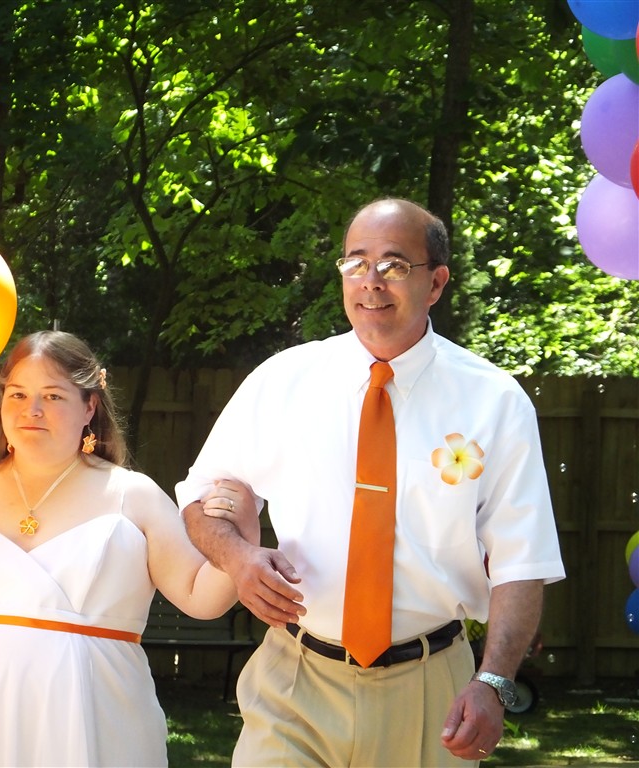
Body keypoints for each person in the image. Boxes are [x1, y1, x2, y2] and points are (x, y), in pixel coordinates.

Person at [176, 198, 565, 767]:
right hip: (294, 682)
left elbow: (522, 563)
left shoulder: (494, 402)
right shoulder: (284, 381)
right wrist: (238, 559)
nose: (372, 281)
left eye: (394, 264)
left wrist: (494, 681)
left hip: (431, 694)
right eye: (356, 263)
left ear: (436, 283)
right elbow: (198, 495)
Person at [0, 330, 251, 767]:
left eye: (53, 396)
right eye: (18, 394)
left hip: (96, 715)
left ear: (89, 407)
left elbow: (201, 597)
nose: (32, 410)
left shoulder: (132, 495)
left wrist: (243, 537)